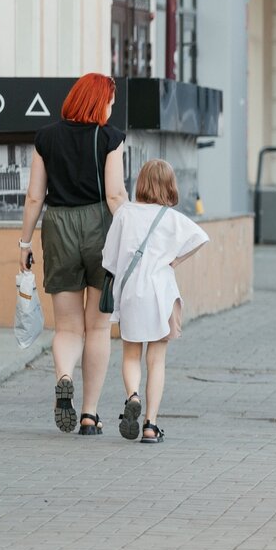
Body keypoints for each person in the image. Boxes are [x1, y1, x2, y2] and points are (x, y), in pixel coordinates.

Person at [20, 73, 127, 436]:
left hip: (59, 226)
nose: (111, 109)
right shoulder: (110, 137)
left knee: (67, 327)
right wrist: (133, 234)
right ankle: (89, 415)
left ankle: (64, 376)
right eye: (110, 102)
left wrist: (24, 244)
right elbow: (115, 195)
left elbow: (34, 196)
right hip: (100, 228)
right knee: (97, 327)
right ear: (99, 102)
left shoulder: (46, 137)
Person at [102, 160, 209, 444]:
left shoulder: (124, 213)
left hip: (131, 294)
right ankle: (150, 425)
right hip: (162, 294)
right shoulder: (171, 218)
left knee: (130, 354)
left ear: (141, 182)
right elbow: (200, 237)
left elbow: (108, 259)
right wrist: (176, 260)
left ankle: (133, 396)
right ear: (170, 185)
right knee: (157, 360)